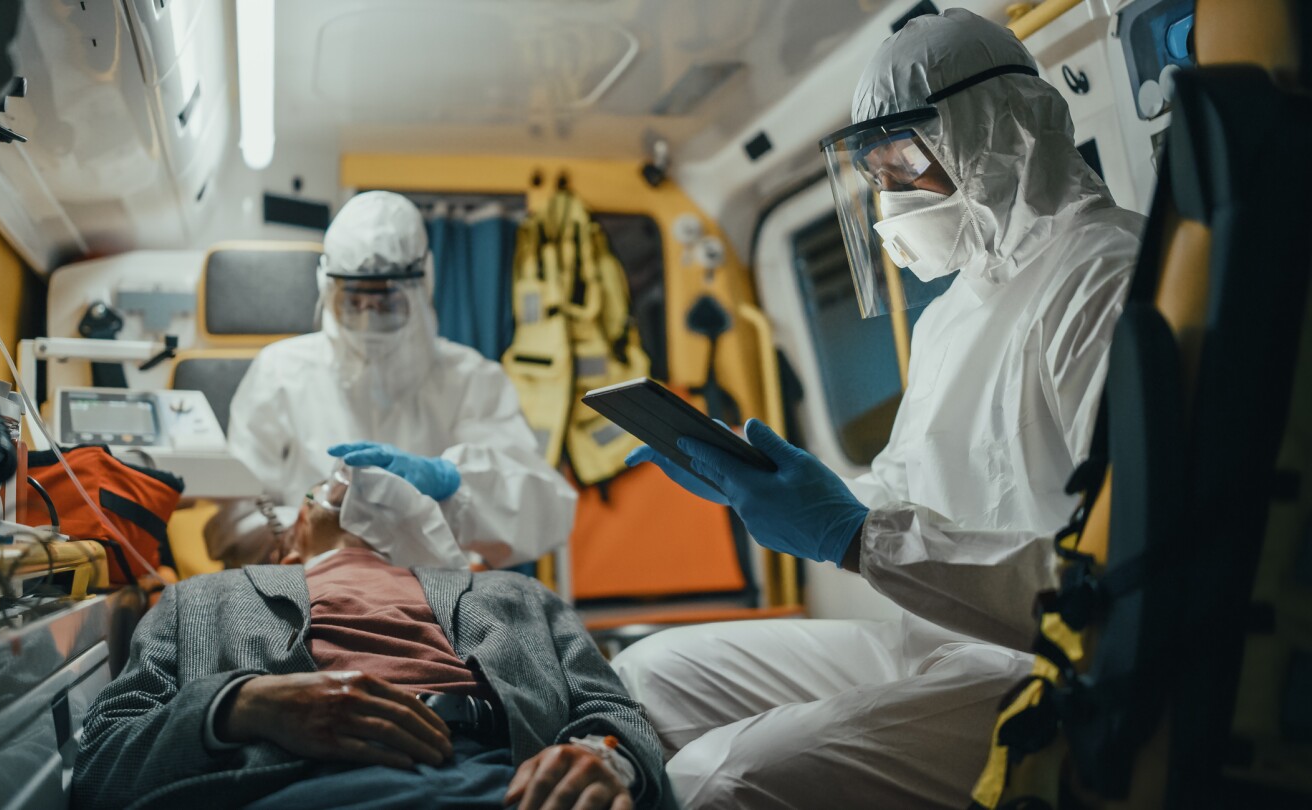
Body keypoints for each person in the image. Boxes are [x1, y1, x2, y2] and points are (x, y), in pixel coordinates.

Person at [615, 9, 1145, 809]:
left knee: (726, 779)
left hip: (1045, 665)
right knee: (647, 677)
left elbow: (1111, 580)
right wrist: (770, 488)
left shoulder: (1105, 280)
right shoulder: (950, 315)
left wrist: (856, 537)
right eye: (874, 174)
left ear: (998, 134)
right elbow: (909, 497)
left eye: (904, 165)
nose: (886, 199)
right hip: (933, 636)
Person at [75, 479, 673, 810]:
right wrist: (246, 705)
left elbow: (612, 710)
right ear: (293, 533)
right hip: (298, 787)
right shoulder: (202, 598)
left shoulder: (513, 592)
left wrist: (605, 758)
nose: (353, 477)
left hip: (511, 786)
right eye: (326, 479)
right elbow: (101, 768)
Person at [208, 190, 575, 569]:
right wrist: (323, 532)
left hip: (433, 596)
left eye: (386, 303)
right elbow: (237, 522)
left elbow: (546, 512)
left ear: (423, 284)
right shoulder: (280, 371)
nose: (369, 320)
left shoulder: (471, 379)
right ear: (326, 288)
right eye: (353, 302)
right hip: (310, 586)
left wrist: (452, 483)